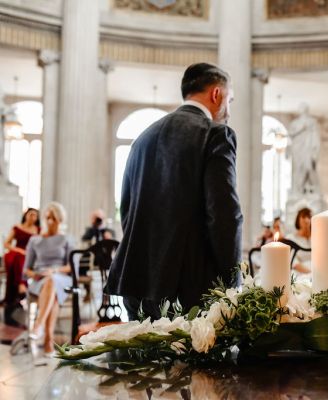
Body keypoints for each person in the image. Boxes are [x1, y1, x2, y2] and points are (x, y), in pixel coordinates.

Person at [106, 63, 243, 321]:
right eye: (230, 99)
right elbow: (224, 214)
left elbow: (127, 209)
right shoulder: (216, 134)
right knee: (199, 362)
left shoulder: (143, 138)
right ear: (217, 94)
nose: (229, 109)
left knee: (144, 361)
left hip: (136, 281)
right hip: (191, 287)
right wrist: (232, 283)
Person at [20, 203, 75, 354]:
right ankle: (47, 341)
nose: (50, 221)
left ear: (60, 220)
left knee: (53, 280)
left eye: (54, 218)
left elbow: (71, 267)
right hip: (39, 280)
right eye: (48, 217)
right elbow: (26, 270)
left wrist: (54, 270)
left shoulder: (67, 239)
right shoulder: (35, 240)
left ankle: (38, 326)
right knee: (53, 291)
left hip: (62, 278)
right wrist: (36, 274)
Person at [2, 208, 40, 326]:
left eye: (35, 215)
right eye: (30, 214)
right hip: (15, 253)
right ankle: (21, 284)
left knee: (22, 259)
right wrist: (19, 250)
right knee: (17, 257)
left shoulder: (38, 230)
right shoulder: (17, 227)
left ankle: (18, 287)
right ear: (25, 215)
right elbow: (6, 243)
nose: (32, 217)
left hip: (29, 257)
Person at [287, 208, 312, 279]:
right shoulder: (291, 238)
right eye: (303, 217)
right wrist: (311, 273)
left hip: (317, 270)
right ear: (298, 220)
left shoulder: (316, 238)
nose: (306, 220)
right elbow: (293, 262)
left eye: (309, 217)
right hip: (300, 273)